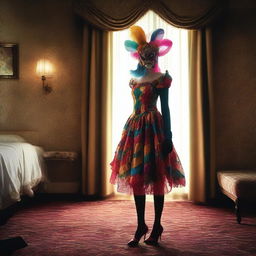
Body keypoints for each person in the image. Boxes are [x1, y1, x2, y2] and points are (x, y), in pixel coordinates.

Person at [109, 26, 186, 247]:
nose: (148, 57)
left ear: (157, 54)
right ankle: (140, 225)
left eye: (152, 54)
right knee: (137, 178)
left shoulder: (162, 78)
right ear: (139, 54)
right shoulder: (133, 78)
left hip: (154, 128)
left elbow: (167, 108)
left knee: (156, 176)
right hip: (134, 128)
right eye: (145, 54)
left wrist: (168, 135)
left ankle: (157, 225)